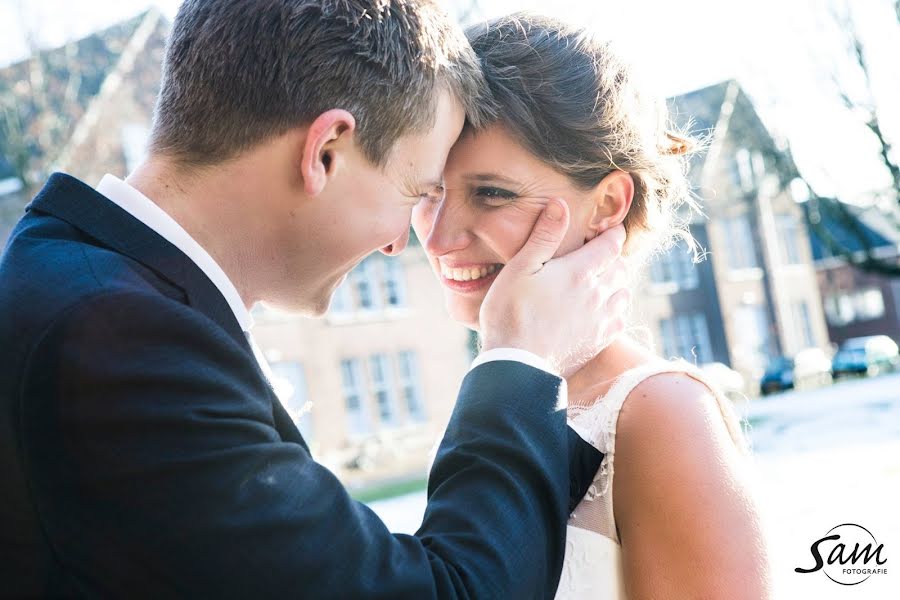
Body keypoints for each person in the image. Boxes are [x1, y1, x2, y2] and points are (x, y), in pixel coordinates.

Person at [0, 1, 630, 598]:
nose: (402, 243)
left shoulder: (76, 285)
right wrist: (520, 360)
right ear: (326, 152)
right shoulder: (124, 348)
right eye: (417, 192)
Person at [413, 14, 771, 599]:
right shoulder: (495, 401)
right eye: (429, 192)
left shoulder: (660, 413)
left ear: (608, 202)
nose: (438, 237)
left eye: (491, 193)